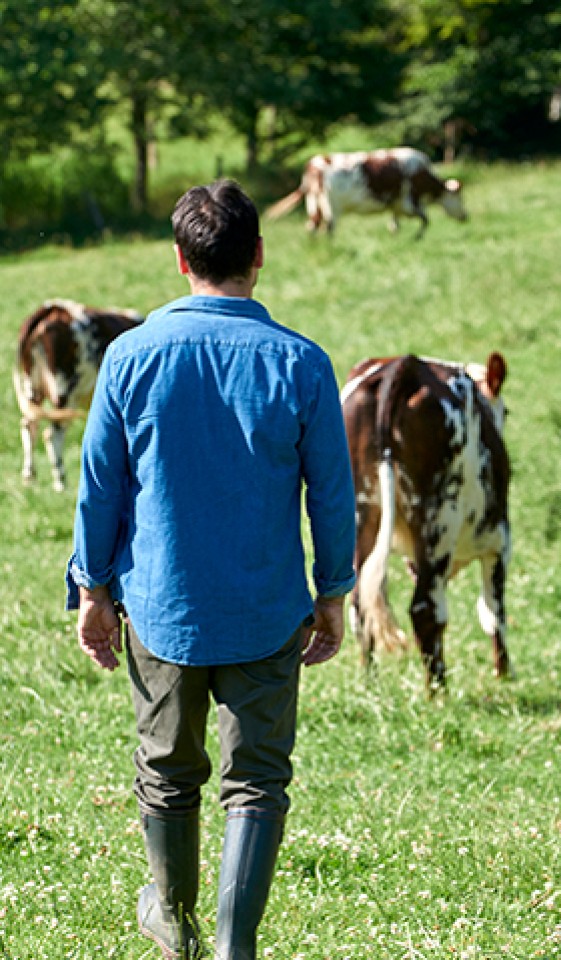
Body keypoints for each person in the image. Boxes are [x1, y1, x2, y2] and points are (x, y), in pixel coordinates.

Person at [66, 179, 357, 959]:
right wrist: (333, 595)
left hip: (161, 609)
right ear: (258, 256)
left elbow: (99, 488)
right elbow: (333, 495)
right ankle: (233, 948)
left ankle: (176, 924)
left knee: (167, 773)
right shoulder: (302, 362)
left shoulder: (129, 357)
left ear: (179, 259)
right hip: (267, 609)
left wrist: (92, 589)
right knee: (257, 780)